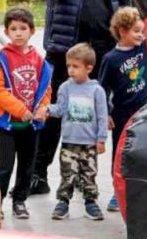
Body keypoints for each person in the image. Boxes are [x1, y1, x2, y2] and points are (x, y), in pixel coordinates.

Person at [32, 0, 128, 195]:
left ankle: (85, 179)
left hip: (102, 52)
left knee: (93, 115)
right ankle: (37, 174)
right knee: (53, 113)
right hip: (65, 51)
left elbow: (124, 3)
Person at [0, 7, 52, 219]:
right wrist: (20, 110)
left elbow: (46, 87)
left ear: (31, 31)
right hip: (9, 125)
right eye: (13, 29)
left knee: (27, 165)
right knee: (5, 165)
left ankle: (20, 201)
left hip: (31, 126)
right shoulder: (1, 57)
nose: (18, 33)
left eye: (23, 28)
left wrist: (42, 109)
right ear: (7, 31)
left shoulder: (37, 59)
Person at [46, 43, 108, 221]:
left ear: (89, 68)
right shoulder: (65, 87)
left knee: (89, 173)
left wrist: (101, 139)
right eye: (68, 66)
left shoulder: (97, 91)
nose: (71, 70)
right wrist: (47, 109)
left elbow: (103, 116)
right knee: (67, 174)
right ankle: (63, 202)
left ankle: (90, 203)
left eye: (75, 66)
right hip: (69, 141)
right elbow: (60, 108)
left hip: (89, 143)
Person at [98, 7, 147, 212]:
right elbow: (102, 88)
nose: (141, 35)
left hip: (143, 111)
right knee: (120, 153)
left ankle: (137, 189)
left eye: (142, 31)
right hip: (120, 114)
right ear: (121, 31)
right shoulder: (110, 59)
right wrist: (106, 112)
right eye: (136, 31)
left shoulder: (143, 48)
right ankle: (116, 193)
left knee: (141, 151)